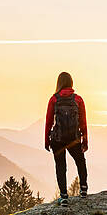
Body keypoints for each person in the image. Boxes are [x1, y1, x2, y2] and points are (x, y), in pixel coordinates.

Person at [45, 72, 88, 207]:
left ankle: (63, 196)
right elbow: (83, 122)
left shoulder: (54, 99)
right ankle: (83, 189)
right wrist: (85, 140)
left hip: (58, 139)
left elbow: (48, 121)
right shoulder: (78, 99)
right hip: (74, 138)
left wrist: (47, 140)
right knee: (80, 162)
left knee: (60, 165)